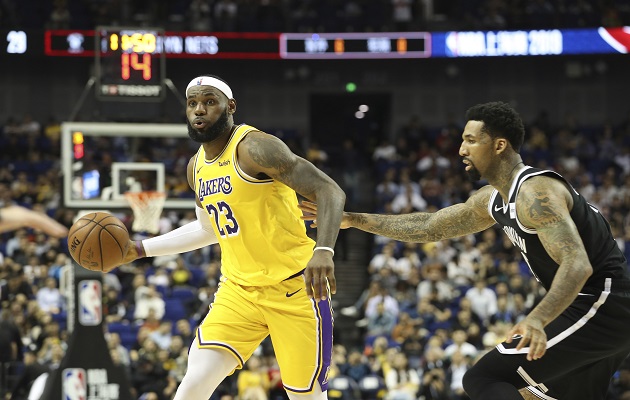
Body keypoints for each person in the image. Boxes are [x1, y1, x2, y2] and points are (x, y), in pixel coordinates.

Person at [300, 101, 630, 400]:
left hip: (603, 304)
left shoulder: (534, 193)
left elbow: (577, 264)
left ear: (500, 145)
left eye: (471, 140)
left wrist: (537, 319)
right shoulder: (493, 199)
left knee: (483, 378)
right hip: (595, 308)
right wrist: (356, 219)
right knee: (532, 395)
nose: (461, 149)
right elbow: (430, 226)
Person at [119, 74, 345, 399]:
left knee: (306, 397)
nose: (199, 110)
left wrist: (324, 249)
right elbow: (207, 230)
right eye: (193, 103)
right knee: (192, 385)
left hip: (295, 289)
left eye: (210, 102)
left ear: (230, 107)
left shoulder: (255, 148)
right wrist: (139, 248)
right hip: (239, 292)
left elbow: (329, 190)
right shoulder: (195, 167)